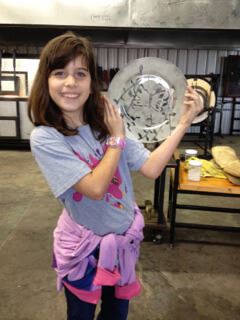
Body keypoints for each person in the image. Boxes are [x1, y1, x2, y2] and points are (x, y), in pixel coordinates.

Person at [28, 31, 203, 320]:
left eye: (80, 73)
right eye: (60, 73)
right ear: (46, 81)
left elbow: (151, 167)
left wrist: (184, 122)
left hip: (122, 242)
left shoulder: (106, 122)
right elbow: (96, 188)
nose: (70, 83)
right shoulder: (46, 137)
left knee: (115, 314)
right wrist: (117, 139)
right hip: (84, 249)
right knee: (81, 314)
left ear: (91, 82)